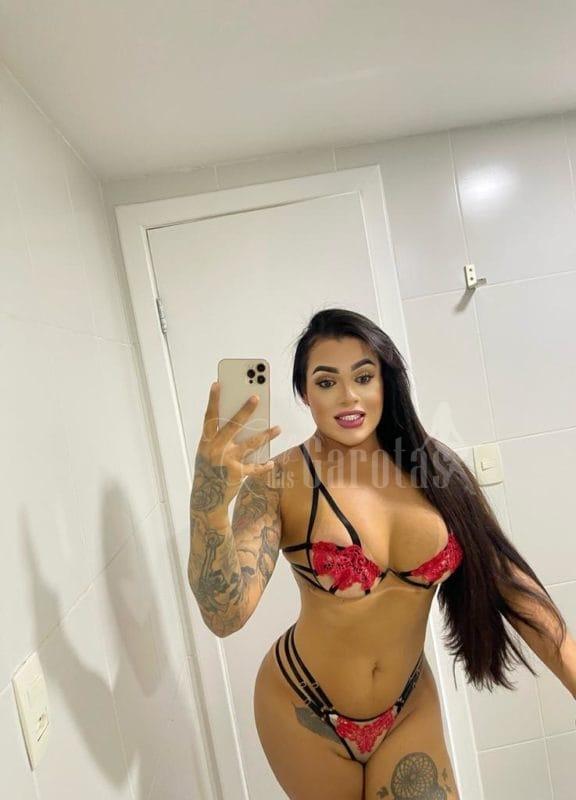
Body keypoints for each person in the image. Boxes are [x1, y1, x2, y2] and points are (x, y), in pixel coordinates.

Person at [189, 308, 573, 800]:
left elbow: (513, 586)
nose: (349, 396)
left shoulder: (437, 470)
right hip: (303, 708)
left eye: (363, 377)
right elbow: (225, 614)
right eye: (326, 382)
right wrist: (209, 504)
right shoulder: (276, 482)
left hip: (406, 705)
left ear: (385, 382)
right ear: (304, 393)